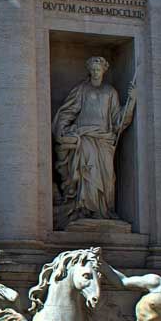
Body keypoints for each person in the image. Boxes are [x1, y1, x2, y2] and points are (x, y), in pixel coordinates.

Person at [53, 56, 136, 227]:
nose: (96, 73)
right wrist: (62, 129)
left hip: (104, 140)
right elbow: (68, 112)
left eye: (99, 70)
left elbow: (118, 121)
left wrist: (132, 101)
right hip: (85, 138)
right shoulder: (81, 90)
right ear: (89, 71)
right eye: (93, 70)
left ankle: (102, 211)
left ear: (104, 71)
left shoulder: (110, 92)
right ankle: (85, 209)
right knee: (87, 173)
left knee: (107, 177)